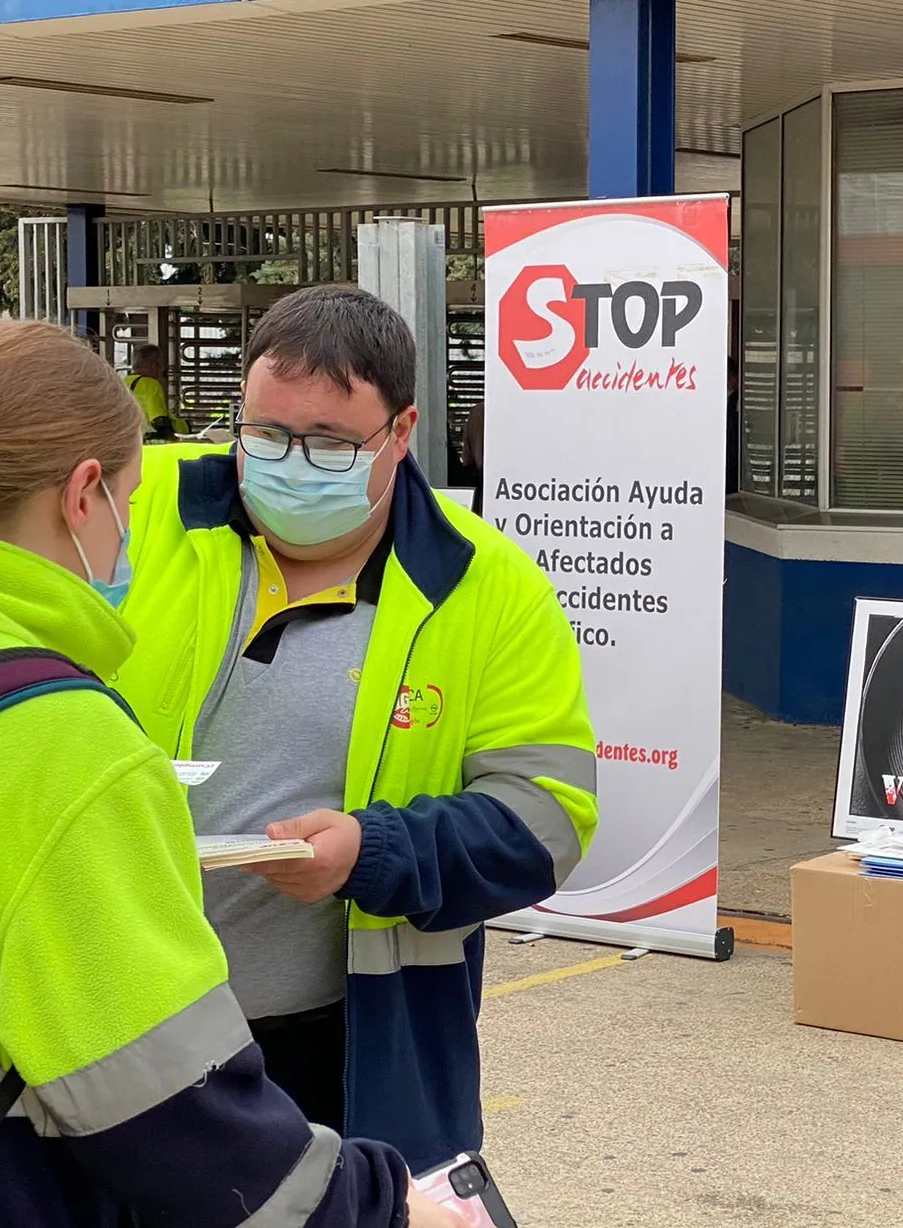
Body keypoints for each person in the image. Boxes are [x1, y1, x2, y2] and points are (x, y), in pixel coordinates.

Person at [0, 318, 458, 1228]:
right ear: (84, 496)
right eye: (127, 500)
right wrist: (391, 1210)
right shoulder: (68, 744)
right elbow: (173, 1120)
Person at [112, 284, 598, 1176]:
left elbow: (547, 822)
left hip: (337, 1050)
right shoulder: (137, 510)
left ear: (402, 432)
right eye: (264, 433)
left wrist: (372, 854)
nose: (288, 463)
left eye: (330, 443)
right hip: (112, 1026)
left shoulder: (487, 587)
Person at [127, 343, 176, 440]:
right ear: (155, 366)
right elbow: (159, 421)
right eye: (161, 367)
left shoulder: (122, 382)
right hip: (145, 443)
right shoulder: (150, 384)